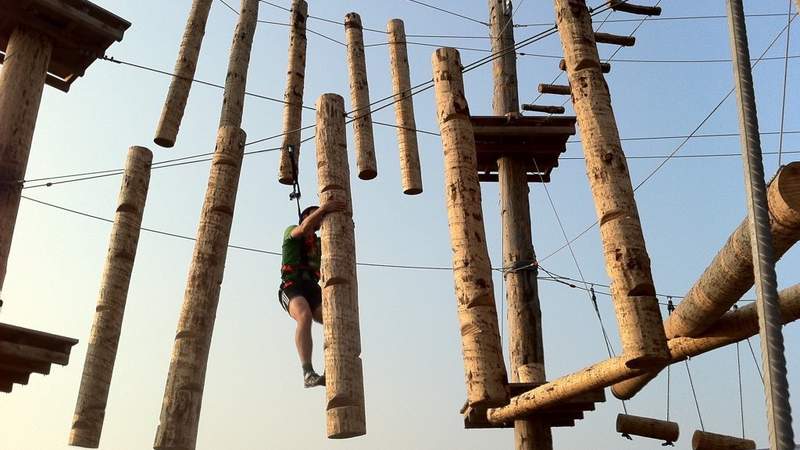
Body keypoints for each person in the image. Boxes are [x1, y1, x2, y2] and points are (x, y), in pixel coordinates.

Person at [278, 201, 345, 388]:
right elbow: (305, 227)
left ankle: (333, 364)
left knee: (333, 319)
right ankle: (307, 372)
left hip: (312, 288)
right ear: (306, 217)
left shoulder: (319, 243)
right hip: (292, 286)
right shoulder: (292, 231)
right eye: (315, 216)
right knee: (304, 315)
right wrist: (324, 209)